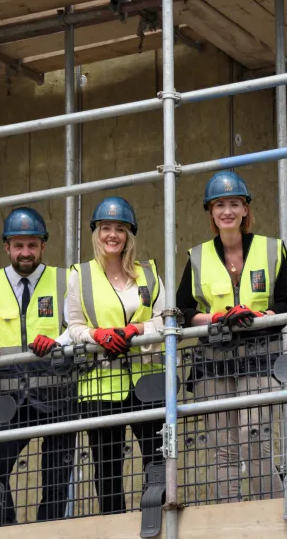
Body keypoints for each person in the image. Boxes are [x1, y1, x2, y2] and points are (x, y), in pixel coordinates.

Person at [176, 170, 287, 503]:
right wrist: (215, 318)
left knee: (253, 438)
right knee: (222, 449)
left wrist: (260, 317)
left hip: (259, 357)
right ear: (211, 212)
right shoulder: (198, 256)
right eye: (219, 205)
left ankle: (271, 509)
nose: (227, 211)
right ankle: (228, 514)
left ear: (245, 209)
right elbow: (184, 309)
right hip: (214, 362)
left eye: (234, 204)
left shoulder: (271, 249)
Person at [0, 206, 76, 525]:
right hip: (11, 399)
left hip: (58, 396)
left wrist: (57, 342)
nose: (25, 252)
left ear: (43, 245)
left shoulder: (65, 280)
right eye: (18, 245)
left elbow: (78, 327)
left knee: (56, 477)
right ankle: (7, 528)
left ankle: (47, 532)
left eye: (32, 245)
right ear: (7, 247)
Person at [66, 196, 166, 515]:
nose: (112, 235)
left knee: (157, 457)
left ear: (129, 234)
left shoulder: (148, 273)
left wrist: (137, 329)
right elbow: (74, 326)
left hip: (147, 379)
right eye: (106, 228)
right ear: (96, 232)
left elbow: (165, 320)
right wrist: (97, 335)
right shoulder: (80, 275)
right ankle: (114, 525)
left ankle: (154, 518)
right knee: (107, 466)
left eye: (120, 229)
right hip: (100, 385)